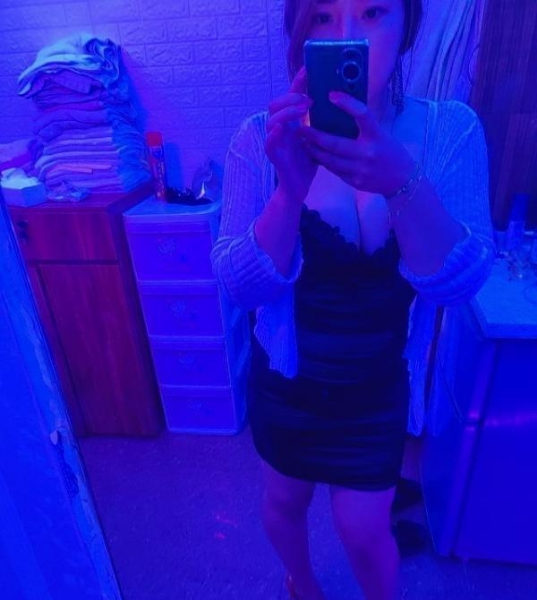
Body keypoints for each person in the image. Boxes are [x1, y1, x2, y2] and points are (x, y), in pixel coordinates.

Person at [210, 0, 495, 598]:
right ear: (298, 29)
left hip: (376, 386)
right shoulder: (259, 138)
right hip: (288, 383)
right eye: (322, 17)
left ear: (407, 21)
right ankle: (301, 583)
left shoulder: (451, 131)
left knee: (363, 529)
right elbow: (239, 288)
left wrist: (402, 183)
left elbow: (462, 282)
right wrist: (289, 193)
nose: (348, 37)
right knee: (284, 503)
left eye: (372, 13)